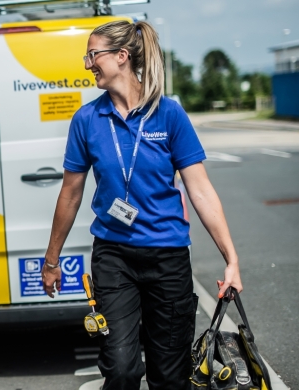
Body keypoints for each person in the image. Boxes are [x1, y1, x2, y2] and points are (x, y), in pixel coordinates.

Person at [40, 21, 243, 389]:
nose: (87, 64)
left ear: (122, 57)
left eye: (92, 55)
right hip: (114, 257)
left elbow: (200, 190)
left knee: (169, 376)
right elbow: (70, 193)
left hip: (168, 258)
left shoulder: (169, 114)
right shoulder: (87, 120)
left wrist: (231, 260)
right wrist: (51, 260)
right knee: (121, 368)